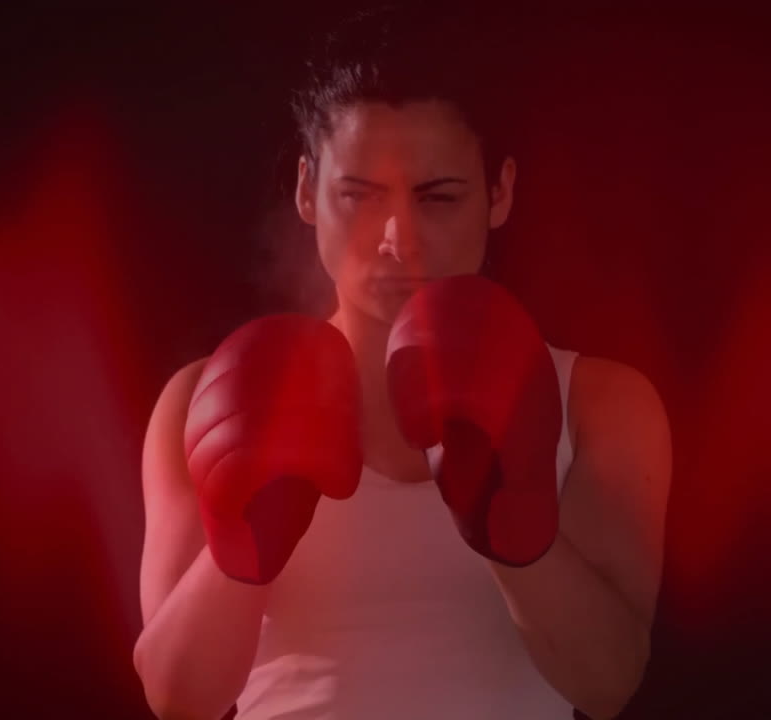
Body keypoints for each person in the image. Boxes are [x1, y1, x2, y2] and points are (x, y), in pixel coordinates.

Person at [132, 6, 671, 719]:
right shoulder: (203, 397)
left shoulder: (599, 402)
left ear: (500, 192)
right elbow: (177, 700)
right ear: (305, 190)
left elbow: (608, 686)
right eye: (358, 196)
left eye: (438, 198)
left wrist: (518, 537)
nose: (397, 240)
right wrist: (241, 553)